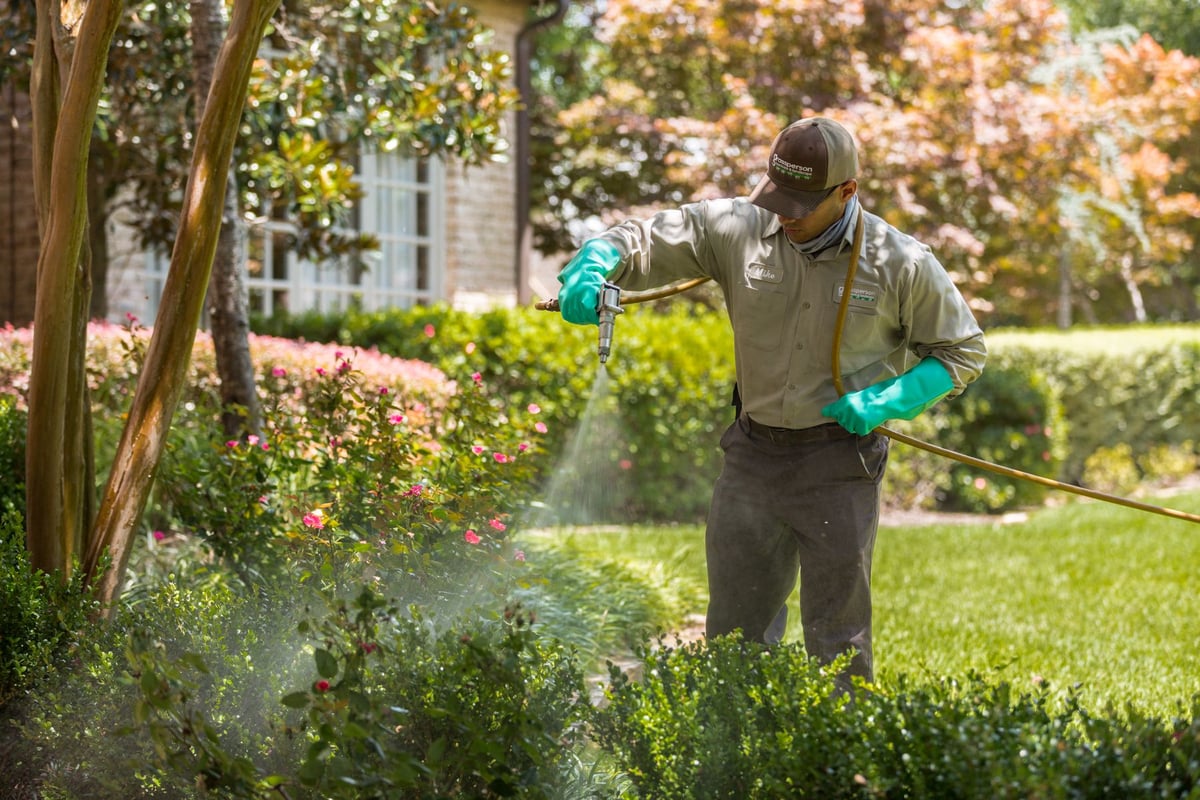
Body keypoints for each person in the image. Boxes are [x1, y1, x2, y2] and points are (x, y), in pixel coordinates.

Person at [555, 117, 986, 684]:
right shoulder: (738, 226)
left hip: (840, 458)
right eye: (777, 196)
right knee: (735, 630)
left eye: (801, 204)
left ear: (847, 191)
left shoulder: (898, 261)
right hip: (752, 455)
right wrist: (595, 263)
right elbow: (643, 239)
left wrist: (888, 400)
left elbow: (961, 351)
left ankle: (838, 765)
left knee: (838, 637)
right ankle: (740, 753)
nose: (784, 213)